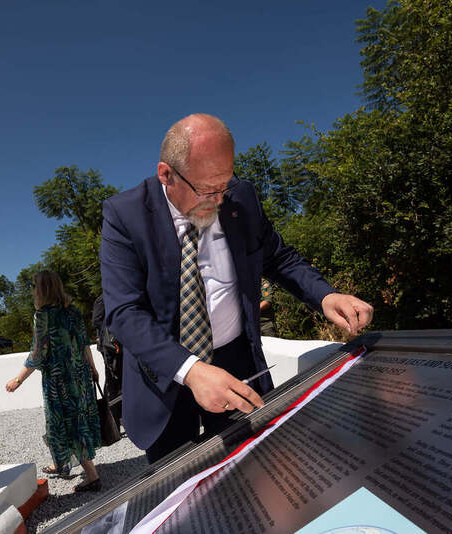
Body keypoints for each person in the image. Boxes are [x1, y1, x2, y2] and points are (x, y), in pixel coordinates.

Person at [99, 113, 373, 463]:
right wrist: (191, 370)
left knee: (257, 471)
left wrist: (325, 295)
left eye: (225, 183)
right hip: (167, 375)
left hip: (237, 365)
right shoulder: (125, 216)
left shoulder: (240, 198)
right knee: (181, 494)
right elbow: (124, 312)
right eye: (207, 189)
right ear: (166, 174)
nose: (219, 199)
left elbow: (278, 258)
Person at [5, 270, 102, 492]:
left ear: (42, 289)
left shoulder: (43, 316)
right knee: (75, 421)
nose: (32, 290)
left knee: (66, 424)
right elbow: (84, 343)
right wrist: (94, 369)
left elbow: (37, 353)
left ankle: (92, 475)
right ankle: (61, 463)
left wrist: (18, 379)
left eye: (34, 286)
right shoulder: (73, 311)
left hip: (60, 382)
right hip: (81, 375)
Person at [92, 293, 123, 426]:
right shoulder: (102, 298)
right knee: (111, 380)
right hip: (108, 346)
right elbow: (96, 321)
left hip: (116, 346)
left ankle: (118, 415)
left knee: (118, 380)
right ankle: (112, 418)